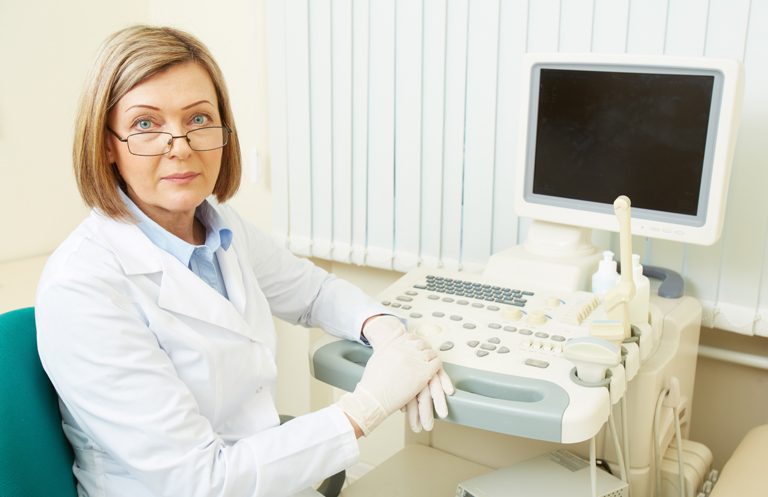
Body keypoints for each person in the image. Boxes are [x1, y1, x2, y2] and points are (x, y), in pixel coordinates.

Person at [35, 25, 453, 497]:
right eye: (145, 125)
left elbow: (313, 292)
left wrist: (383, 329)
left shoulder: (217, 225)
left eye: (198, 118)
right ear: (107, 144)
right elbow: (200, 481)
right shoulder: (82, 286)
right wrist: (366, 408)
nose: (181, 145)